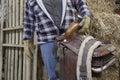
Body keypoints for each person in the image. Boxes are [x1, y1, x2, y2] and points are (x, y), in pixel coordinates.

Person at [23, 0, 92, 80]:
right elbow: (29, 19)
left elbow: (81, 3)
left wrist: (86, 15)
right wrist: (27, 39)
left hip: (70, 37)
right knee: (54, 77)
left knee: (75, 73)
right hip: (47, 40)